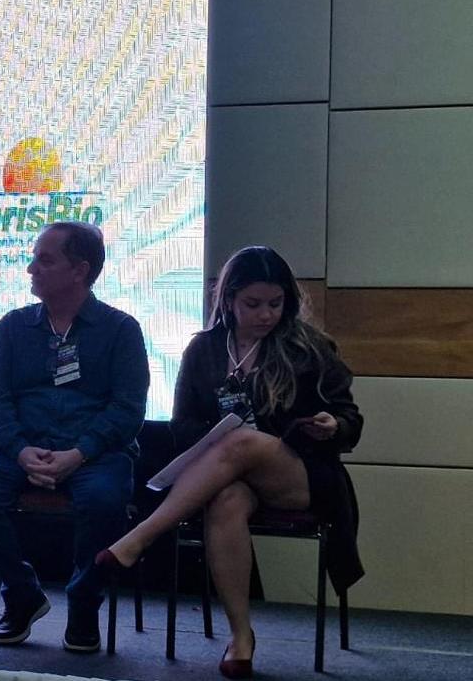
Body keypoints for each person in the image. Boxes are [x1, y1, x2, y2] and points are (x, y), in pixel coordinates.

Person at [96, 245, 364, 679]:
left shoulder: (309, 347)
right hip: (226, 475)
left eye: (275, 303)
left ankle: (141, 536)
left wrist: (334, 425)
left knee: (242, 441)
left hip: (300, 474)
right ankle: (241, 638)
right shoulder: (203, 350)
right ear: (229, 299)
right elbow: (182, 425)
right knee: (226, 501)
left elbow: (350, 418)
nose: (266, 315)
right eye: (253, 304)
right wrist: (214, 438)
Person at [0, 221, 149, 652]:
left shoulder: (120, 330)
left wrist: (78, 453)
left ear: (79, 270)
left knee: (104, 499)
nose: (31, 269)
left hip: (95, 454)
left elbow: (128, 409)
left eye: (44, 260)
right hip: (22, 450)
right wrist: (20, 450)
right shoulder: (14, 327)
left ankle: (84, 604)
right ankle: (22, 594)